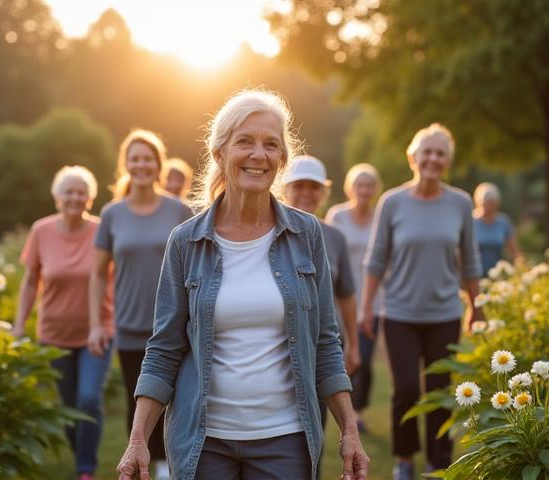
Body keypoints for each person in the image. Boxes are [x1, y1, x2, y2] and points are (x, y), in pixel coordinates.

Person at [117, 90, 370, 480]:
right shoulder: (186, 242)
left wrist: (349, 431)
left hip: (285, 439)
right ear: (220, 153)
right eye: (245, 142)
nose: (259, 154)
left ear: (283, 159)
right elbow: (164, 348)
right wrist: (137, 440)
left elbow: (324, 341)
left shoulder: (307, 235)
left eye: (271, 144)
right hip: (204, 443)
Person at [359, 123, 482, 480]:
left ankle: (438, 462)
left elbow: (470, 260)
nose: (432, 158)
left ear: (448, 161)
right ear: (412, 157)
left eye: (439, 152)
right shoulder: (392, 202)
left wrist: (477, 305)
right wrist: (367, 307)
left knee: (441, 391)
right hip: (398, 312)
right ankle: (404, 459)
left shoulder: (460, 203)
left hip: (444, 313)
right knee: (407, 390)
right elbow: (376, 258)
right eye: (426, 151)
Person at [90, 129, 193, 480]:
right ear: (126, 165)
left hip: (176, 326)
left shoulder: (179, 209)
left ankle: (168, 468)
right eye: (134, 159)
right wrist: (95, 324)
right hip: (131, 326)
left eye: (147, 158)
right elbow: (98, 274)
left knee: (177, 402)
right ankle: (139, 465)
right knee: (139, 404)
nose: (141, 165)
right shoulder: (111, 214)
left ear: (158, 164)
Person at [12, 166, 114, 480]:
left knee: (87, 398)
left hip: (97, 332)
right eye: (68, 191)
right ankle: (81, 452)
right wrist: (19, 324)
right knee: (68, 407)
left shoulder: (102, 230)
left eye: (80, 192)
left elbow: (120, 278)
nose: (74, 197)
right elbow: (30, 281)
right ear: (57, 197)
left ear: (90, 198)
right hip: (54, 334)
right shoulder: (40, 231)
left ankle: (86, 469)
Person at [283, 154, 361, 480]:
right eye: (298, 185)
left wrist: (354, 344)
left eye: (313, 187)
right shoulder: (270, 230)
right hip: (282, 347)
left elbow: (345, 294)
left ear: (324, 192)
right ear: (285, 189)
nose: (306, 193)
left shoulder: (335, 238)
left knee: (314, 429)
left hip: (321, 348)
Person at [325, 163, 383, 433]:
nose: (364, 190)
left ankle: (357, 411)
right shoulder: (337, 216)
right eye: (360, 184)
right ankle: (341, 409)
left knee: (365, 359)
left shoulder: (379, 218)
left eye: (369, 185)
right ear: (351, 188)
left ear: (375, 189)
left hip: (372, 300)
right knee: (338, 356)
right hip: (340, 299)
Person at [472, 182, 522, 276]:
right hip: (475, 274)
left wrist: (520, 267)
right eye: (487, 202)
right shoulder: (471, 221)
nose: (489, 206)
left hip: (497, 274)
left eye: (492, 202)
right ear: (479, 202)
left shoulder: (503, 222)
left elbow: (514, 249)